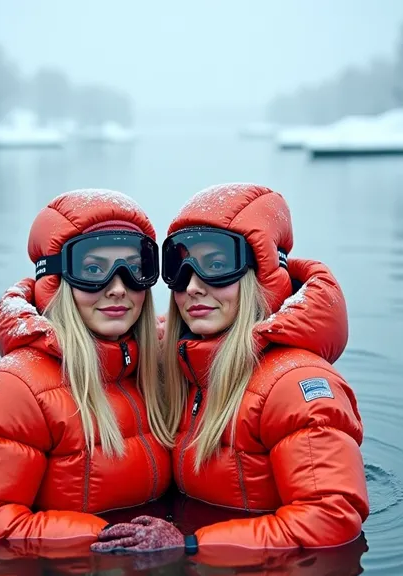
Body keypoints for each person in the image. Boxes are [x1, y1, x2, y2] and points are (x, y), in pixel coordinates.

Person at [91, 183, 369, 555]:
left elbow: (332, 519)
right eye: (179, 267)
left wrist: (191, 545)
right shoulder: (186, 366)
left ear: (263, 275)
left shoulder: (297, 385)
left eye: (217, 266)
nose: (192, 286)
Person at [0, 188, 172, 545]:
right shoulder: (14, 390)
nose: (117, 288)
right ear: (57, 280)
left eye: (134, 269)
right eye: (93, 269)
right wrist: (109, 538)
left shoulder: (154, 370)